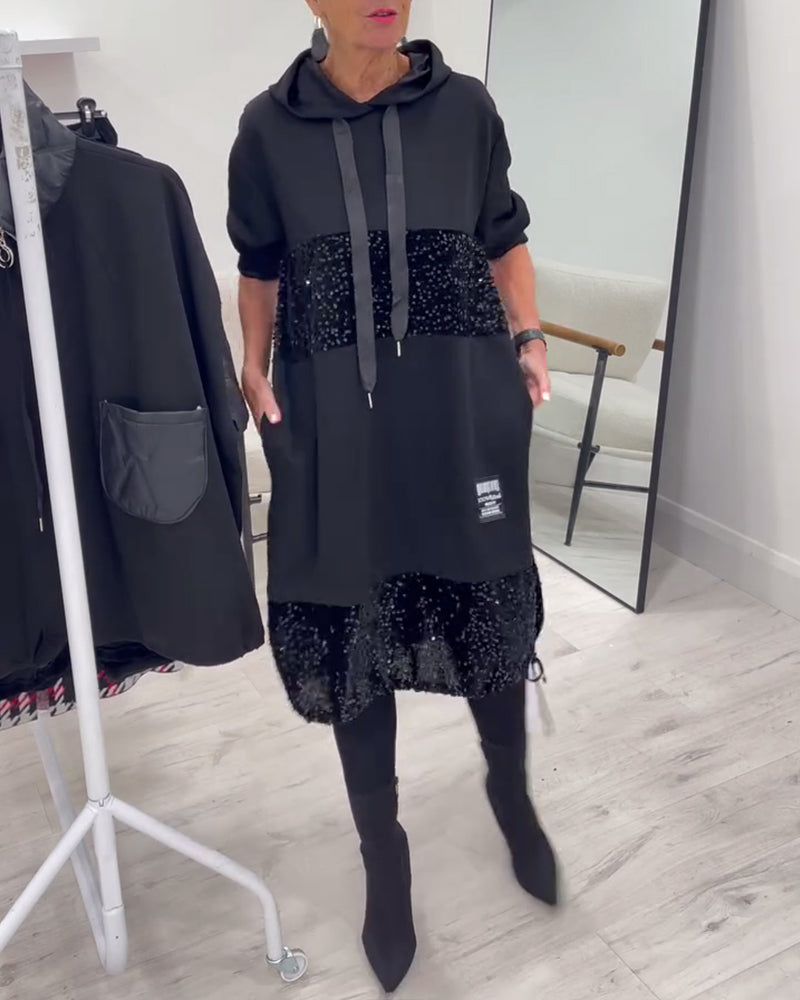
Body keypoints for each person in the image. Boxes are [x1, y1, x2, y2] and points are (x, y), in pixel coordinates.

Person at [228, 1, 558, 991]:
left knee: (483, 588)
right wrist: (253, 363)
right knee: (350, 612)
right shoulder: (267, 127)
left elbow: (504, 237)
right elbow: (259, 266)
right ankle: (384, 855)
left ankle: (509, 789)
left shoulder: (466, 109)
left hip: (460, 406)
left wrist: (529, 333)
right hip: (335, 418)